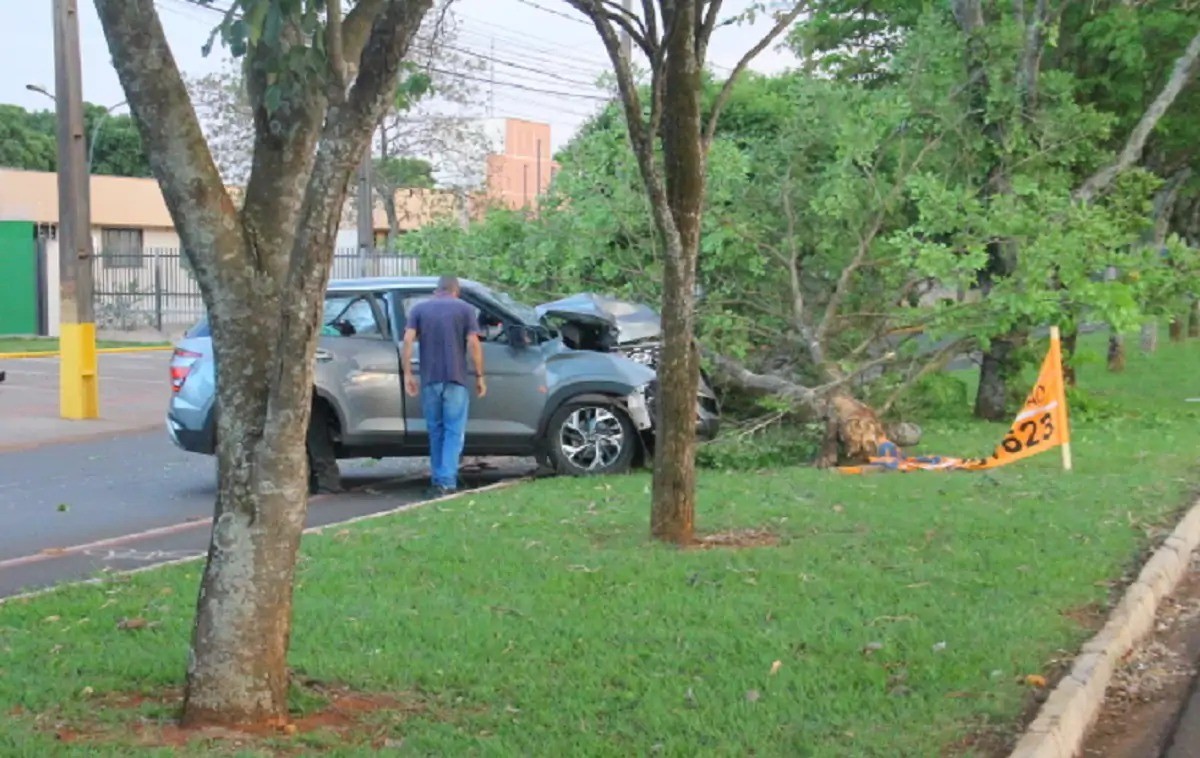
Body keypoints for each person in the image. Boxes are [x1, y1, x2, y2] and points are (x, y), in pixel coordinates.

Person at [402, 276, 487, 496]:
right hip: (456, 378)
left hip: (430, 379)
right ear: (456, 290)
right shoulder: (465, 309)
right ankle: (447, 482)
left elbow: (408, 340)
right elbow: (474, 343)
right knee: (453, 430)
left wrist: (408, 374)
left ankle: (438, 479)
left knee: (435, 430)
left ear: (436, 290)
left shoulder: (419, 310)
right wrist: (479, 376)